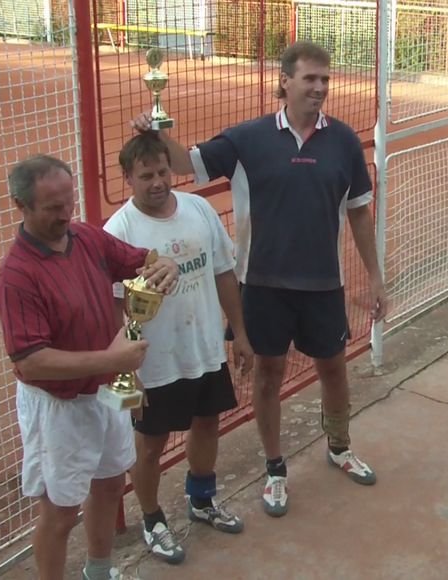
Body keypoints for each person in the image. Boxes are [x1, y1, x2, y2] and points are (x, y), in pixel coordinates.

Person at [131, 41, 388, 518]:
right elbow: (186, 164)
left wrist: (375, 276)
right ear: (285, 82)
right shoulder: (247, 139)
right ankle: (274, 468)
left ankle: (339, 446)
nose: (319, 87)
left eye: (325, 79)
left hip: (323, 284)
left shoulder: (344, 142)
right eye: (309, 78)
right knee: (268, 375)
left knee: (334, 369)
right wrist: (157, 130)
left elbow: (358, 212)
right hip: (262, 286)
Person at [0, 155, 179, 580]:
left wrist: (164, 264)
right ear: (21, 205)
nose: (65, 214)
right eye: (52, 208)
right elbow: (31, 362)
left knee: (110, 483)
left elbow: (140, 259)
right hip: (59, 407)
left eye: (69, 201)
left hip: (106, 393)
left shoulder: (87, 237)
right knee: (59, 511)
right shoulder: (16, 276)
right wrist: (114, 360)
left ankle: (98, 571)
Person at [102, 133, 254, 564]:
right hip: (153, 361)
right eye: (145, 175)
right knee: (150, 444)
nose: (157, 182)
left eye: (163, 172)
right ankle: (153, 520)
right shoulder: (118, 231)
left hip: (203, 347)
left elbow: (223, 273)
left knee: (207, 424)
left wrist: (239, 333)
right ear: (127, 177)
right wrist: (124, 372)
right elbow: (111, 308)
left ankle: (201, 500)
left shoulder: (198, 209)